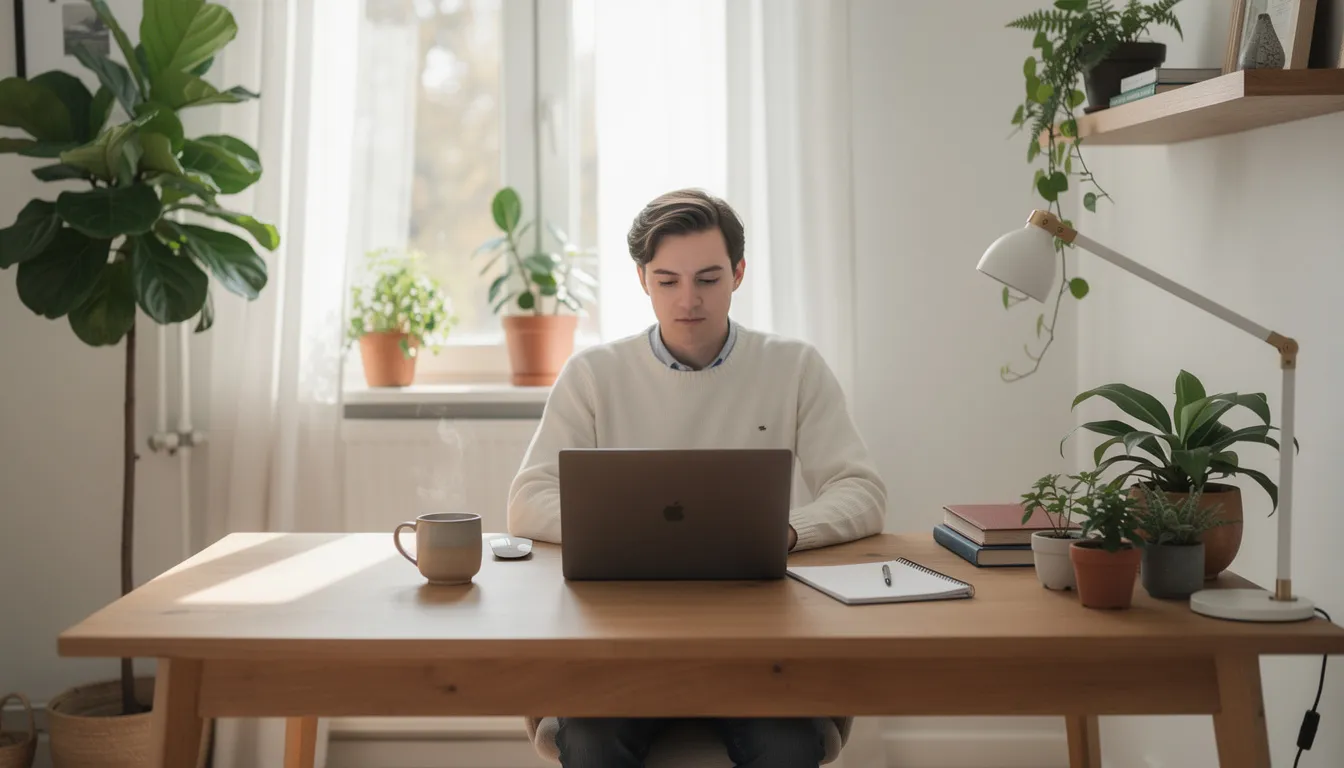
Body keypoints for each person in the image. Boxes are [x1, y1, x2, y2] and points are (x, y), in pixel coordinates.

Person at [506, 188, 887, 768]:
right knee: (588, 743)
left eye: (708, 279)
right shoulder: (593, 374)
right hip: (622, 641)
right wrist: (623, 532)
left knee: (786, 746)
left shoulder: (794, 366)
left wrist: (783, 531)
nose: (689, 300)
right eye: (668, 281)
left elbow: (861, 489)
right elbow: (528, 499)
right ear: (642, 279)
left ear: (738, 273)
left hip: (758, 642)